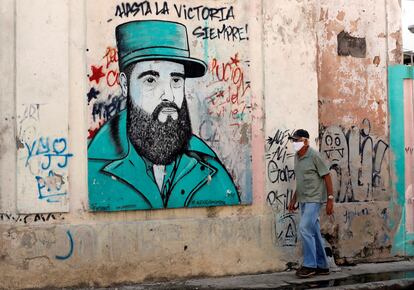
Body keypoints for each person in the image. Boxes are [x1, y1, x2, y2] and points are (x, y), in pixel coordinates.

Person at [88, 20, 239, 211]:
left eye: (176, 79)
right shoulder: (93, 167)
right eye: (151, 79)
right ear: (125, 85)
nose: (168, 94)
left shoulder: (209, 167)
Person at [287, 129, 334, 278]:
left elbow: (327, 176)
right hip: (303, 199)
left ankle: (309, 265)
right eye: (293, 140)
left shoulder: (314, 156)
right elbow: (301, 180)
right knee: (313, 231)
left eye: (297, 140)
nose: (295, 143)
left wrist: (330, 199)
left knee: (304, 228)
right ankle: (322, 265)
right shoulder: (297, 157)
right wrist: (294, 199)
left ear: (306, 141)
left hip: (315, 198)